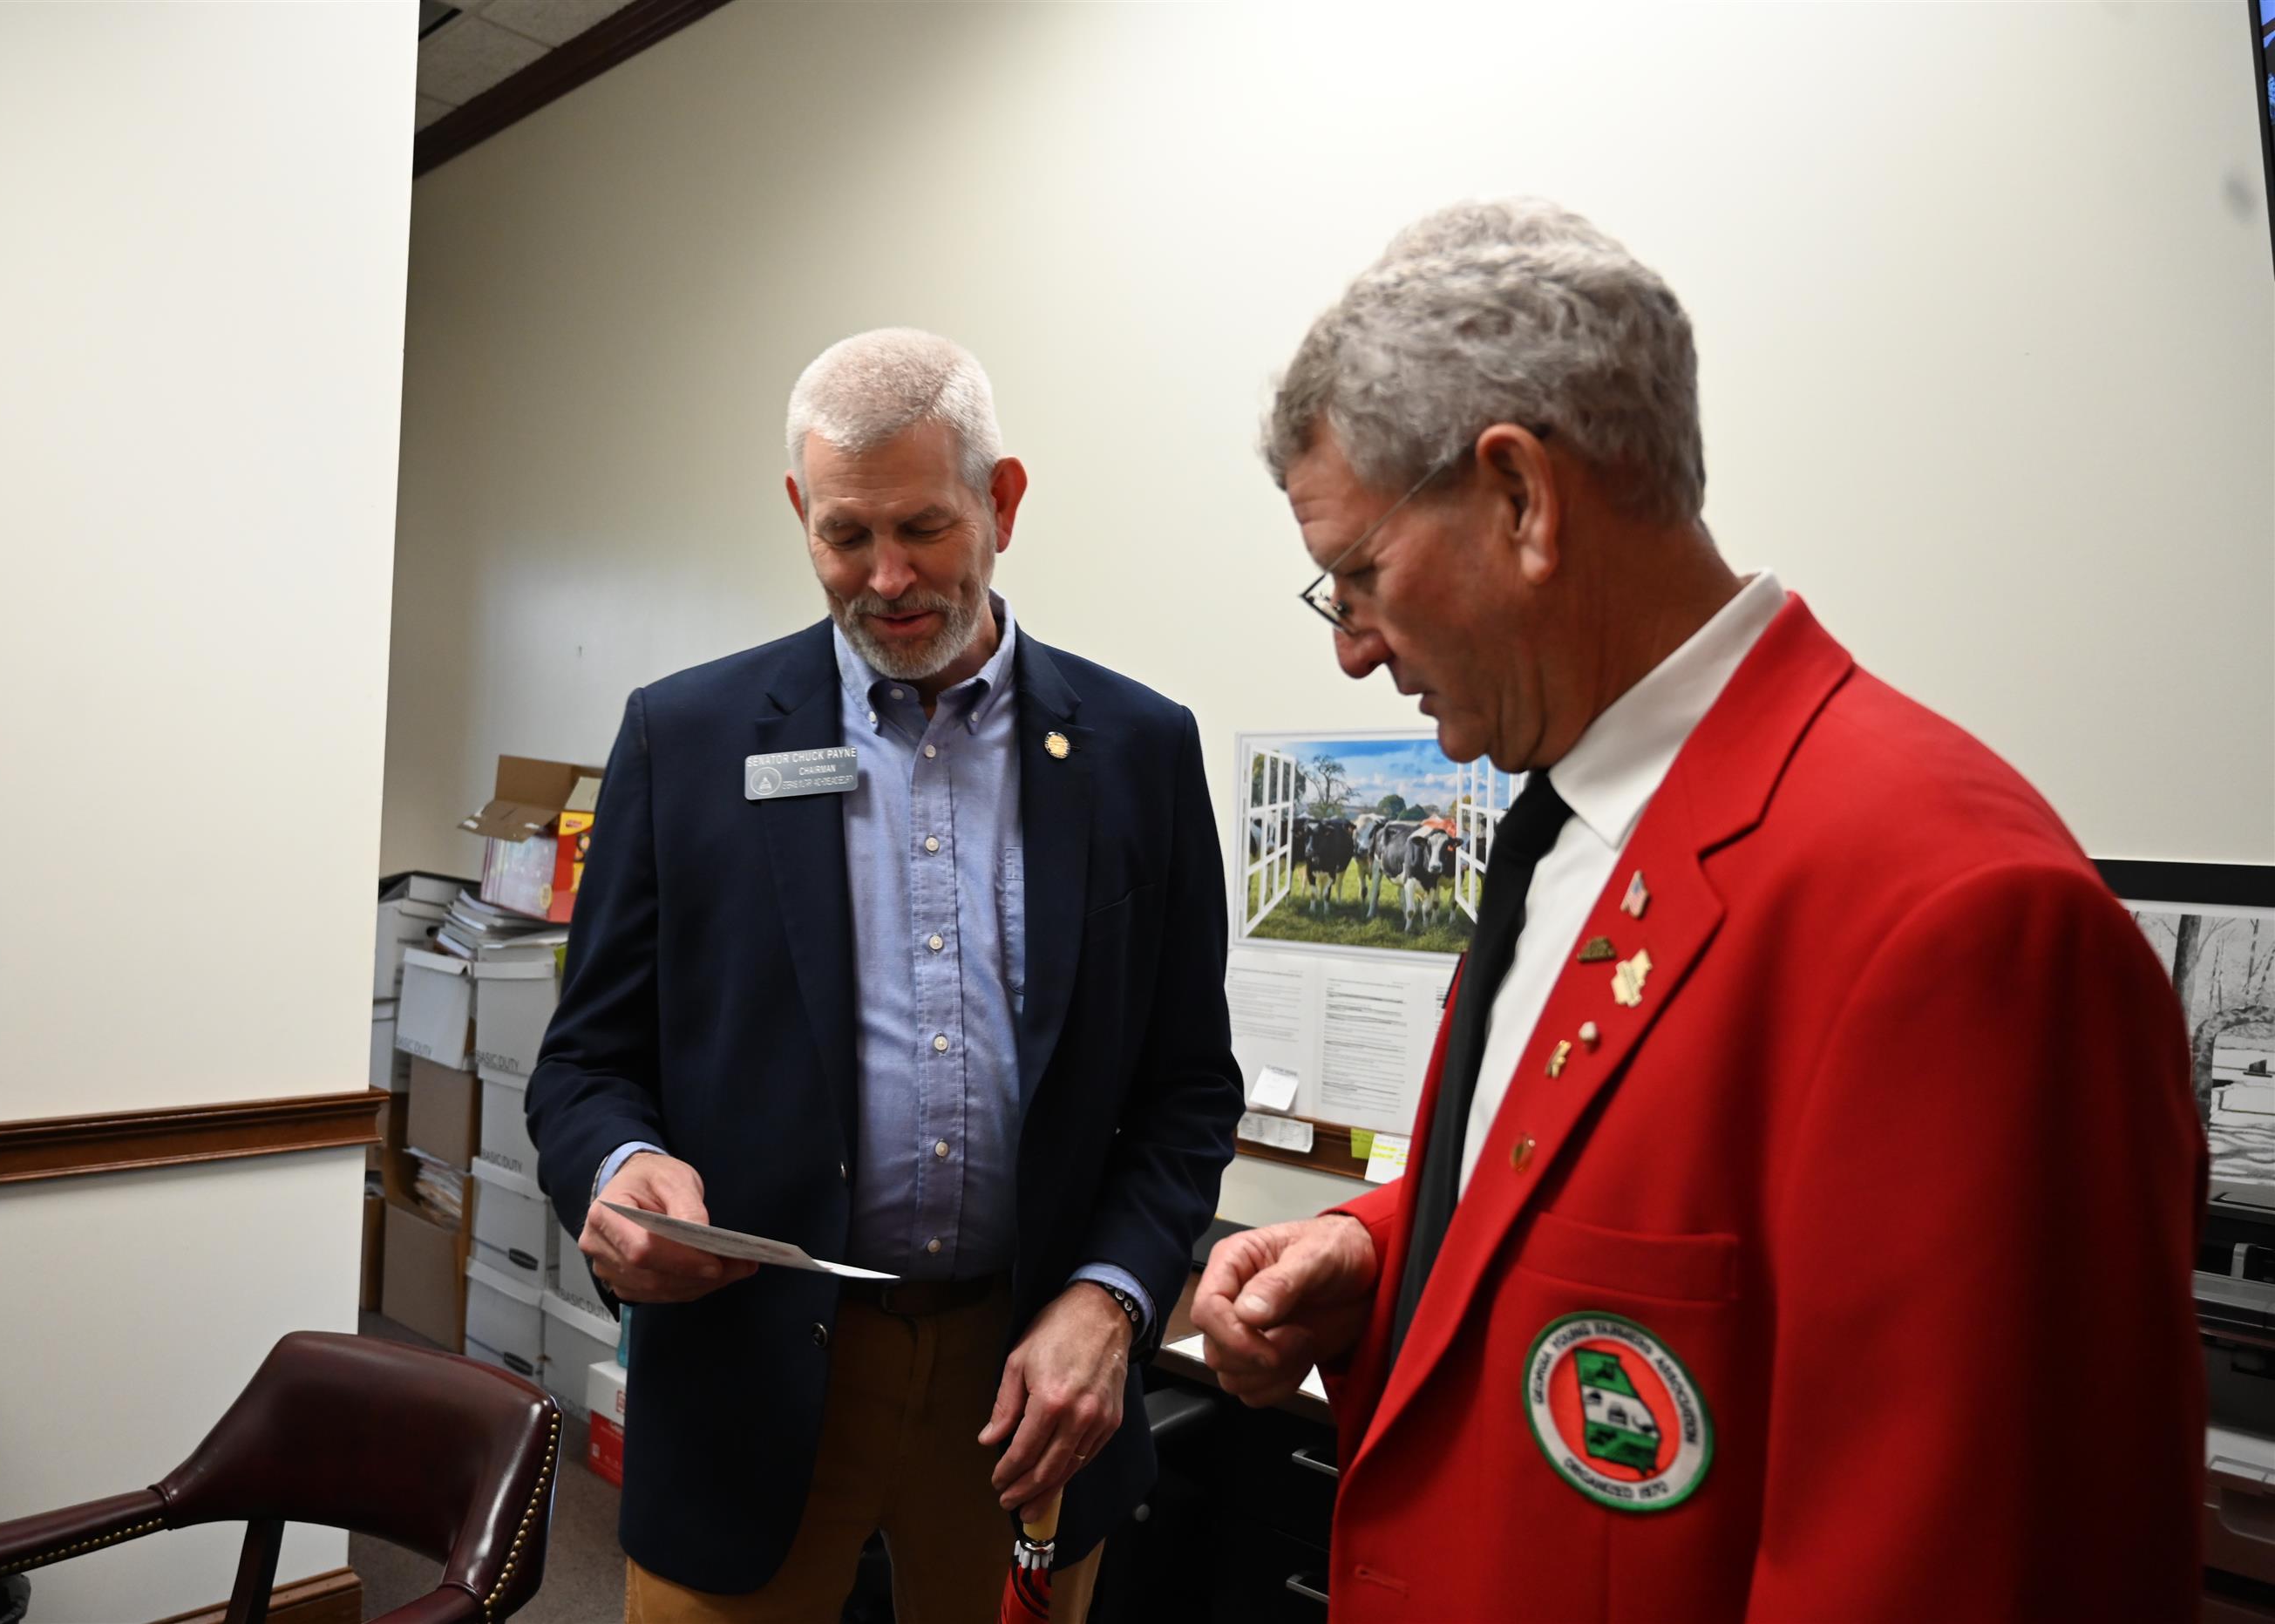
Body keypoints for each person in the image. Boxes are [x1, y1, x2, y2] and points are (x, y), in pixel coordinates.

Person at [1195, 200, 2203, 1621]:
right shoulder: (1570, 826)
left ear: (1522, 499)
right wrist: (1380, 1246)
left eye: (1361, 574)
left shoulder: (1963, 924)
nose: (1355, 650)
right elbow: (1621, 1194)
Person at [528, 328, 1241, 1624]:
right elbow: (584, 1063)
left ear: (1003, 502)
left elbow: (1187, 1088)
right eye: (846, 536)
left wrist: (1114, 1301)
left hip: (1028, 1372)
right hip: (751, 1366)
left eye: (924, 527)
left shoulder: (1139, 749)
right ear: (800, 512)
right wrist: (617, 1168)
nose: (888, 578)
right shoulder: (684, 739)